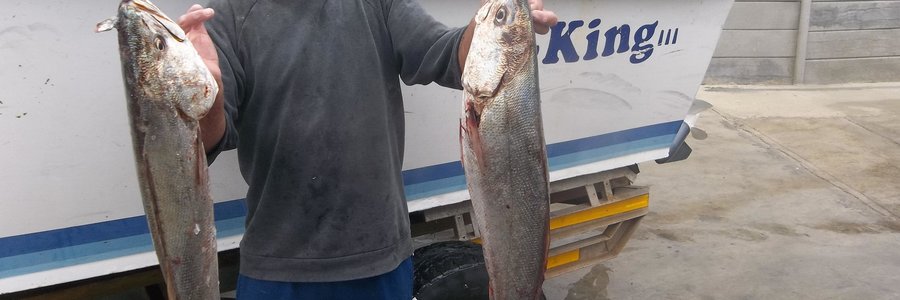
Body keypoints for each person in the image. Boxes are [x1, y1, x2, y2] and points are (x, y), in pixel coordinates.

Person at [177, 0, 557, 299]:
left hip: (381, 259)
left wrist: (502, 30)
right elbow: (210, 138)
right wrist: (202, 92)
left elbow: (449, 55)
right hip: (276, 264)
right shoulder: (225, 15)